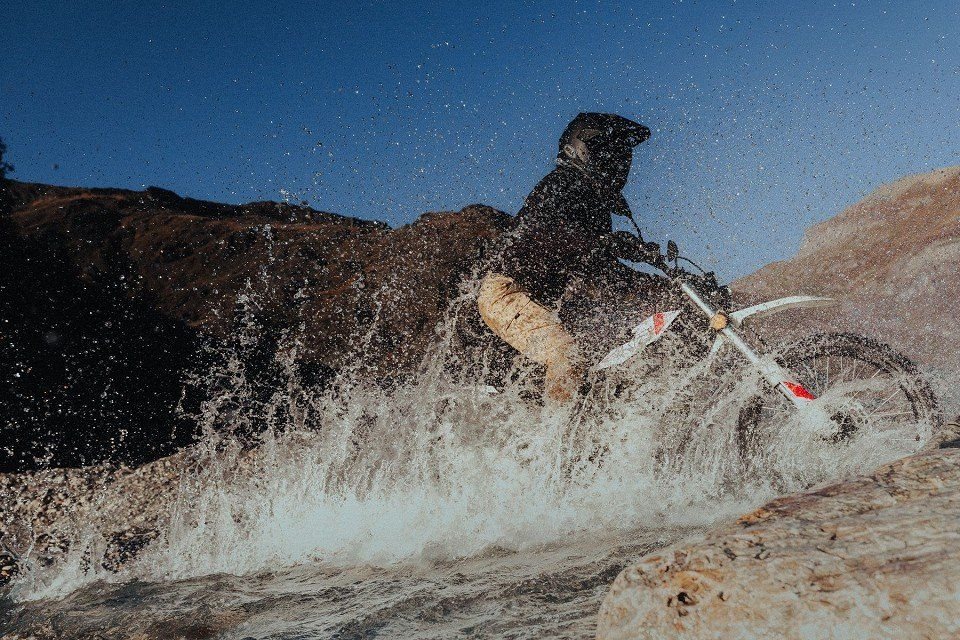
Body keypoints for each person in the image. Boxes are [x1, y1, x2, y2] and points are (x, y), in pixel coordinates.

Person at [478, 112, 660, 403]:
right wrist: (604, 244)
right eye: (611, 153)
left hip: (549, 299)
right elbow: (546, 234)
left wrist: (665, 286)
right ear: (582, 149)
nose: (619, 163)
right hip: (510, 292)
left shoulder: (595, 204)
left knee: (616, 339)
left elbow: (603, 271)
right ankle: (558, 429)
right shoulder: (562, 185)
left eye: (622, 156)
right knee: (567, 355)